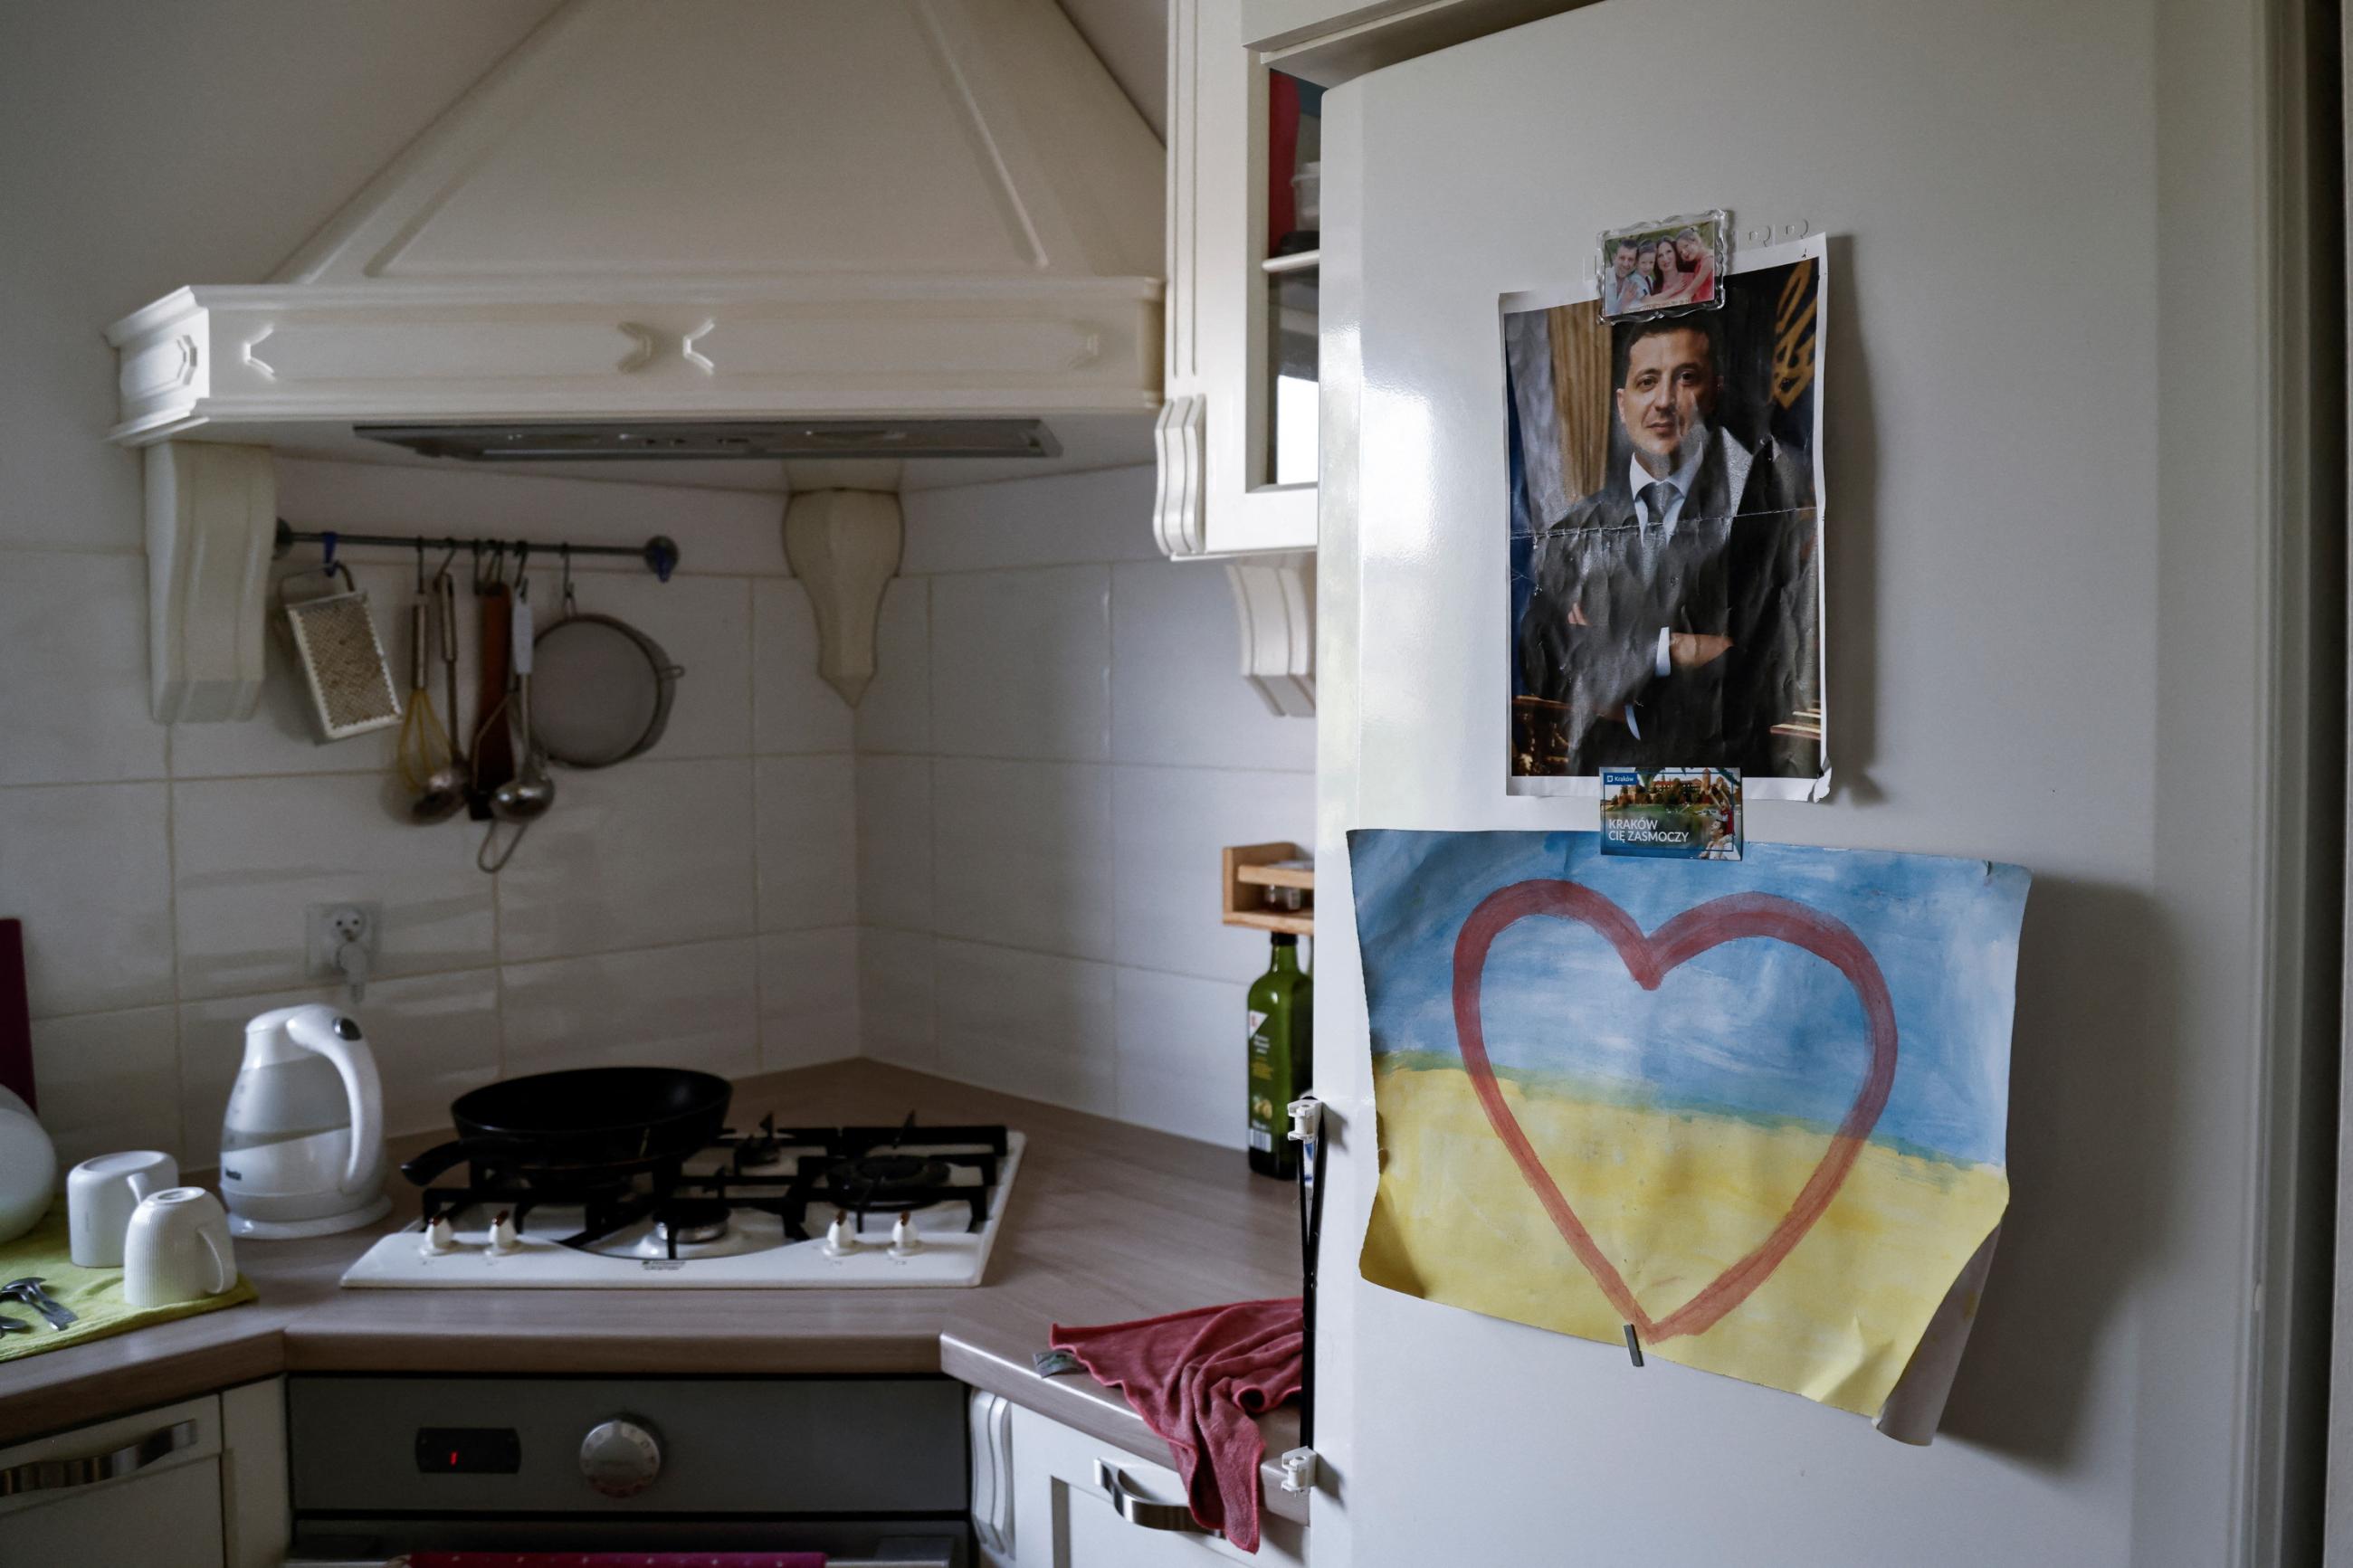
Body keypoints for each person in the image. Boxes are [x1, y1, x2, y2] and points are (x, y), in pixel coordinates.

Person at [1514, 313, 1815, 774]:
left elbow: (1764, 669)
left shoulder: (1767, 513)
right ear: (1622, 403)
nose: (1664, 402)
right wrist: (1669, 650)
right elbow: (1544, 663)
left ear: (1713, 390)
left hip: (1736, 783)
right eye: (1647, 381)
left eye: (1685, 379)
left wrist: (1611, 653)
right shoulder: (1573, 532)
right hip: (1598, 783)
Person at [1600, 238, 1651, 316]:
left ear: (1634, 265)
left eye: (1630, 260)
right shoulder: (1601, 279)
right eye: (1622, 258)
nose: (1625, 264)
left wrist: (1626, 305)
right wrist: (1624, 305)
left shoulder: (1632, 288)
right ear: (1614, 259)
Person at [1671, 226, 1718, 306]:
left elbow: (1689, 292)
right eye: (1681, 253)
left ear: (1695, 240)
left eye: (1686, 246)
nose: (1684, 253)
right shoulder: (1700, 262)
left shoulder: (1709, 260)